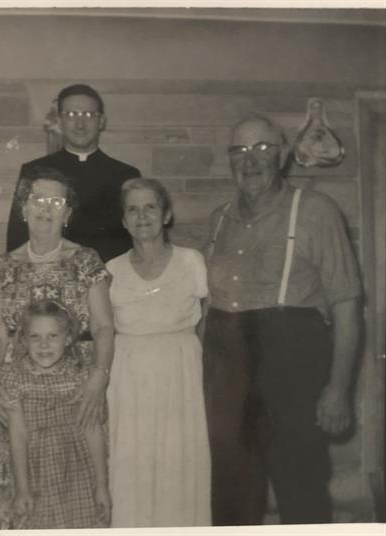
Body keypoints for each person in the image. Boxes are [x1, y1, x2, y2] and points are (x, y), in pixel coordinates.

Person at [203, 115, 361, 525]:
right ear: (229, 159)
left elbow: (346, 305)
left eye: (263, 148)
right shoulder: (219, 218)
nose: (250, 160)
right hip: (229, 369)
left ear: (284, 154)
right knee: (231, 488)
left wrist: (338, 389)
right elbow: (209, 308)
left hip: (292, 362)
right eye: (239, 150)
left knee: (301, 485)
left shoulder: (315, 211)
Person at [0, 166, 114, 529]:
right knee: (15, 499)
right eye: (37, 199)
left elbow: (103, 326)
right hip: (16, 393)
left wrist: (99, 377)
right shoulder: (3, 267)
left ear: (67, 213)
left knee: (74, 495)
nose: (46, 208)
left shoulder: (86, 261)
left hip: (75, 389)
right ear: (23, 208)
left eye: (56, 201)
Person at [106, 178, 211, 527]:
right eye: (133, 210)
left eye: (150, 207)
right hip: (129, 379)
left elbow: (208, 318)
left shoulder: (191, 261)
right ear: (124, 221)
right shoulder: (111, 270)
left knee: (178, 461)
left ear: (166, 215)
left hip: (180, 374)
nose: (142, 216)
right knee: (131, 460)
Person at [6, 83, 141, 262]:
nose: (80, 124)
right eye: (71, 115)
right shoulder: (34, 171)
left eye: (88, 115)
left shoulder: (125, 175)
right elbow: (17, 238)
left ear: (101, 121)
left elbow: (139, 239)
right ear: (59, 121)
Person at [6, 299, 111, 528]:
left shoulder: (80, 376)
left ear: (68, 338)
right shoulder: (15, 378)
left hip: (76, 468)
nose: (44, 345)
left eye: (53, 336)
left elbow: (93, 432)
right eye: (35, 336)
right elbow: (18, 434)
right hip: (35, 469)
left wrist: (102, 486)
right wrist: (22, 488)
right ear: (23, 340)